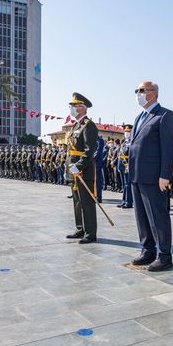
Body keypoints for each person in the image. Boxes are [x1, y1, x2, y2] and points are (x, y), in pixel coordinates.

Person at [129, 81, 173, 271]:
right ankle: (147, 250)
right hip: (137, 175)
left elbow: (168, 147)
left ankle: (164, 255)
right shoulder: (139, 117)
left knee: (158, 217)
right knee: (141, 217)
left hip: (155, 177)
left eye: (142, 90)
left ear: (154, 93)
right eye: (137, 91)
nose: (139, 94)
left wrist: (165, 174)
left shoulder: (165, 115)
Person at [64, 93, 99, 244]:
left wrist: (78, 166)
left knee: (87, 202)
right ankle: (80, 229)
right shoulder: (75, 126)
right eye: (71, 105)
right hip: (73, 171)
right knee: (77, 201)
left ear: (83, 108)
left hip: (83, 171)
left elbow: (89, 150)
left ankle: (90, 233)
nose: (71, 108)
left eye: (75, 105)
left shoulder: (88, 125)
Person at [117, 125, 133, 209]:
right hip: (122, 165)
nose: (126, 133)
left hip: (127, 165)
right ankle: (124, 201)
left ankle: (128, 202)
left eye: (128, 132)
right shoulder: (124, 142)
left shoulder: (132, 142)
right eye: (126, 131)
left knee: (128, 184)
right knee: (124, 184)